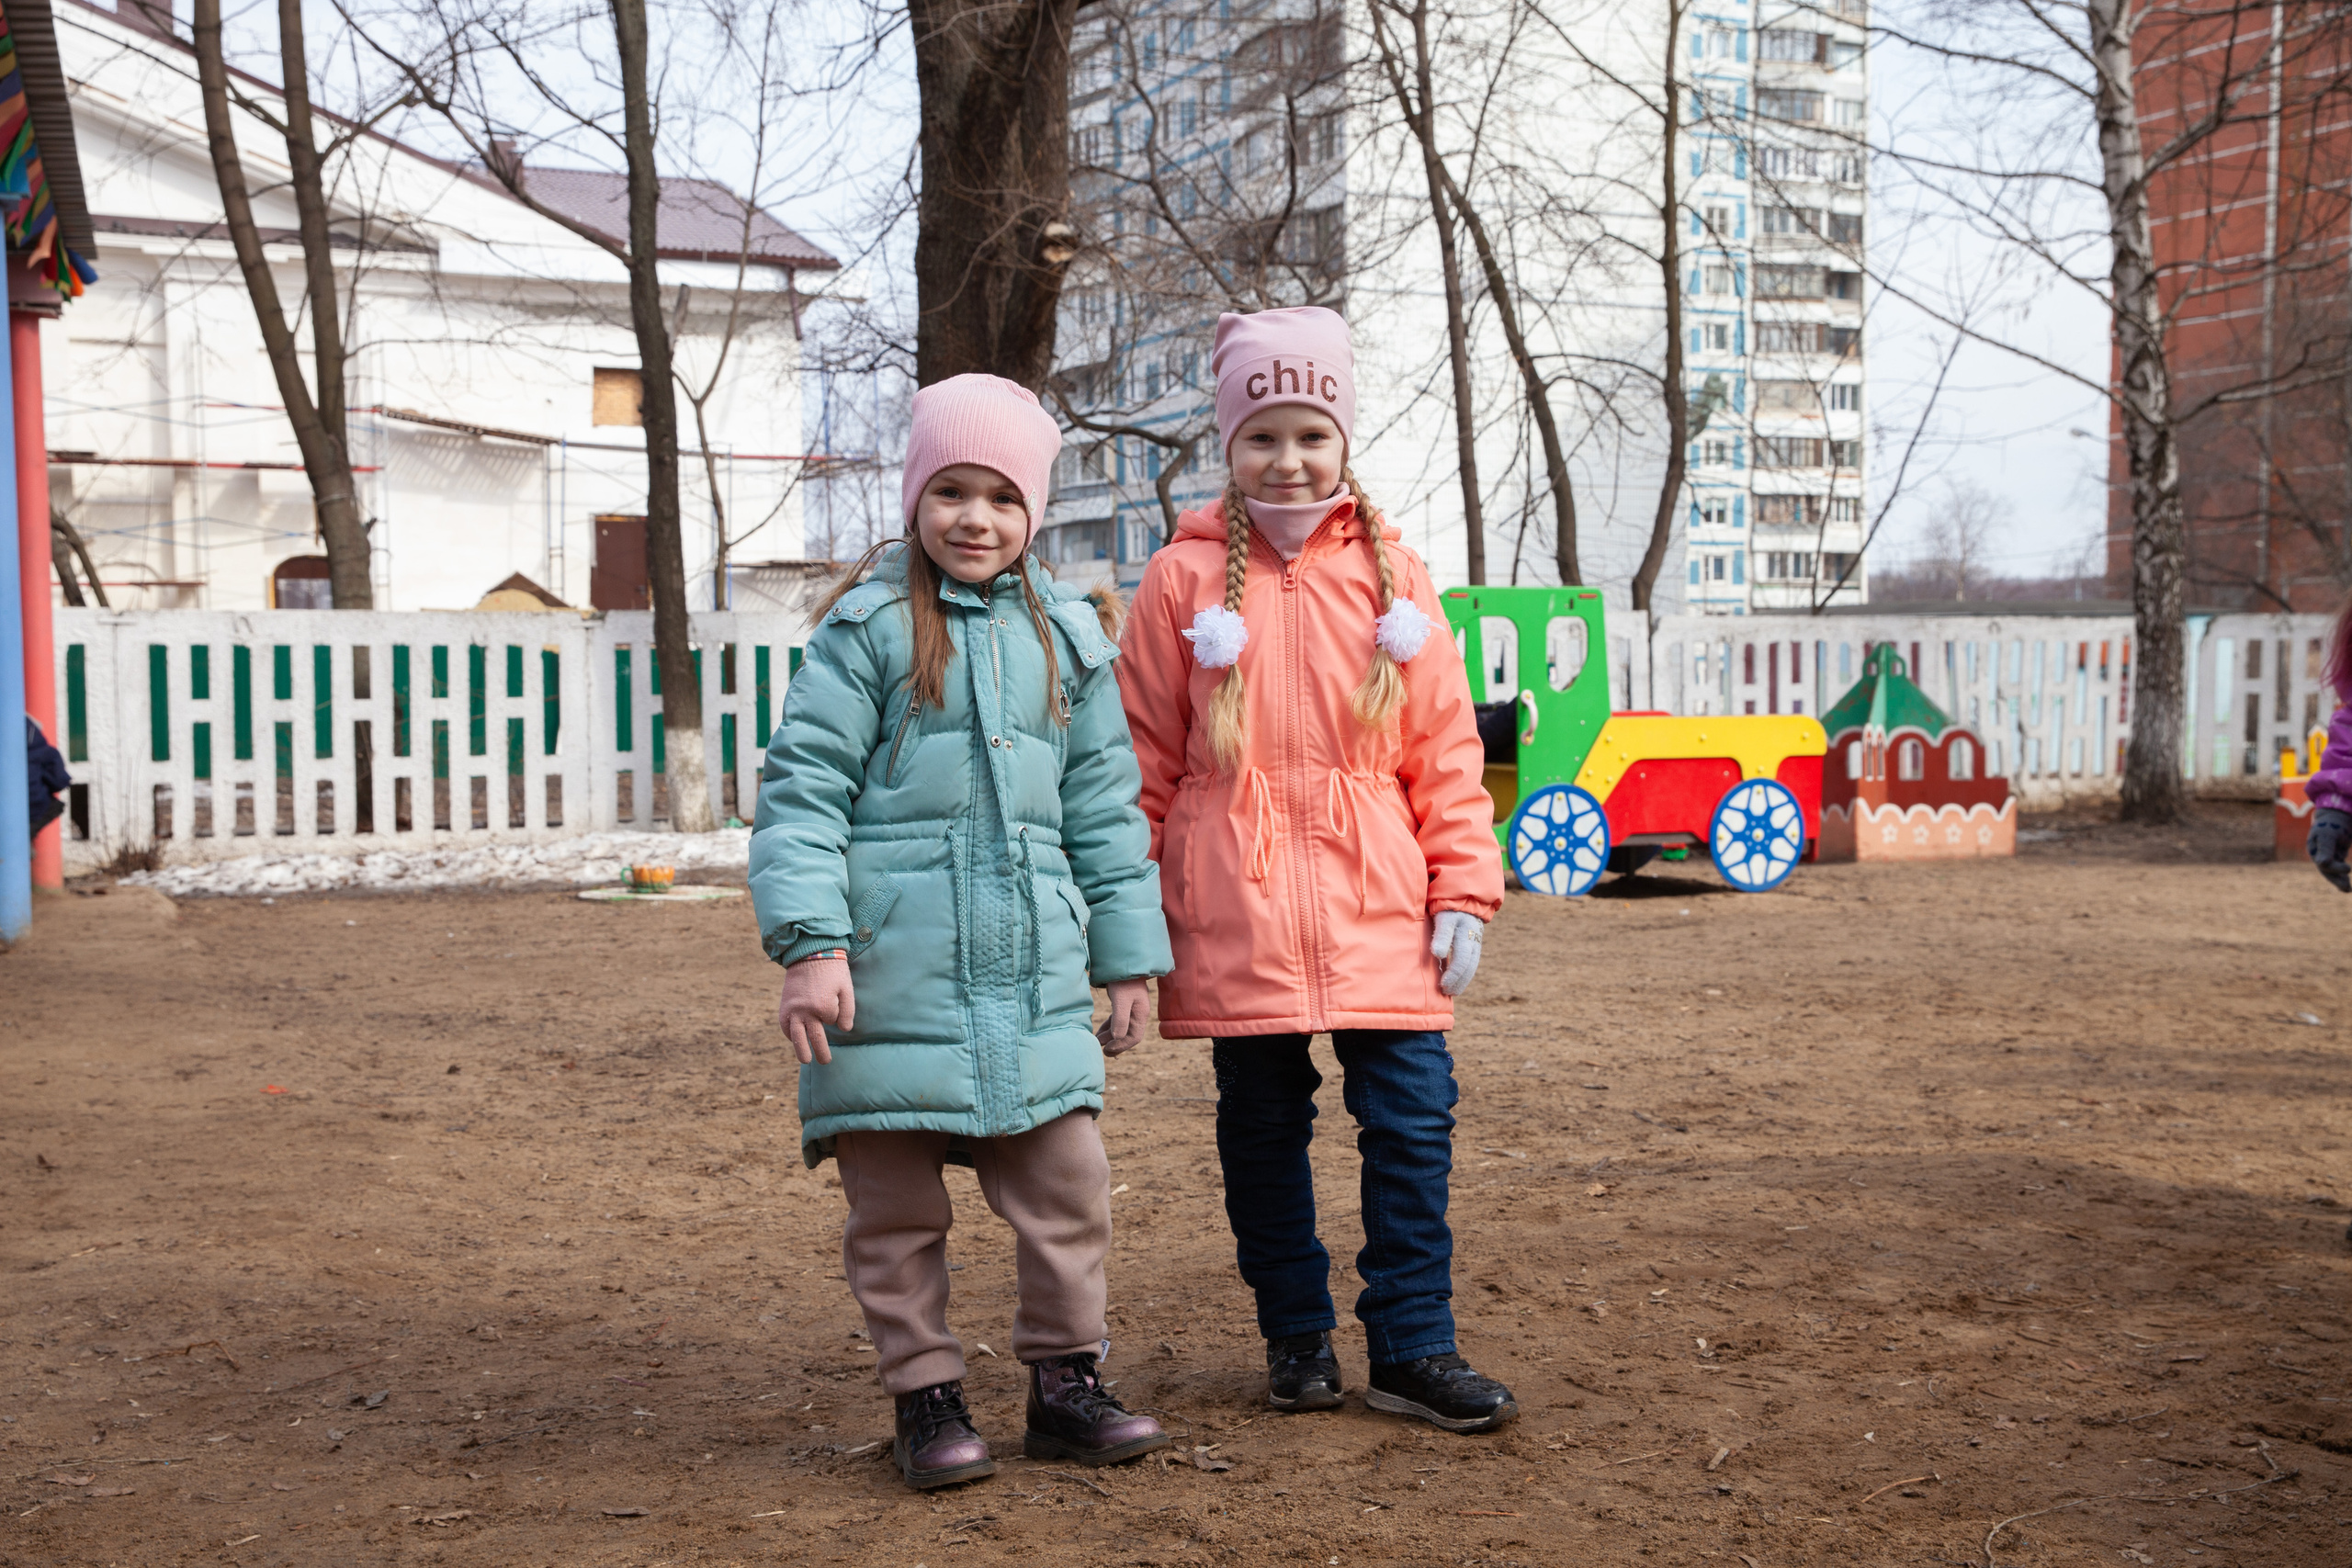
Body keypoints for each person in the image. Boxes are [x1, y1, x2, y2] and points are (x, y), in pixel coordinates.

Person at [749, 374, 1174, 1491]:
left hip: (1029, 976)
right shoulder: (870, 629)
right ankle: (925, 1396)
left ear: (1032, 511)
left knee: (1069, 1184)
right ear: (913, 498)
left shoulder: (1067, 635)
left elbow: (1103, 807)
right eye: (949, 491)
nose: (973, 518)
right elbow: (802, 794)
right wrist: (811, 944)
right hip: (887, 978)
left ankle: (1066, 1382)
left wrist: (1127, 954)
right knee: (893, 1208)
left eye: (998, 496)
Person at [1115, 307, 1516, 1435]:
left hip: (1378, 900)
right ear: (1228, 446)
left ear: (1342, 441)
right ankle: (1296, 1336)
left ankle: (1413, 1343)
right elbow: (1141, 756)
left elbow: (1444, 748)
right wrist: (1130, 914)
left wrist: (1464, 887)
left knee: (1412, 1118)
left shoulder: (1397, 576)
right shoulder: (1179, 580)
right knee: (1259, 1125)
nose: (1286, 459)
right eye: (1261, 437)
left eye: (1310, 434)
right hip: (1231, 902)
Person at [28, 716, 69, 837]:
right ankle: (26, 839)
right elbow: (59, 781)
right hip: (35, 805)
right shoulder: (44, 750)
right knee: (56, 806)